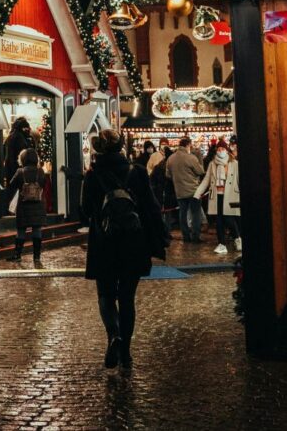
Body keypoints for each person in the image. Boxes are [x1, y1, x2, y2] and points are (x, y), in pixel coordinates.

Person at [80, 128, 166, 370]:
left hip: (104, 242)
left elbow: (85, 210)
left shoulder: (93, 174)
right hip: (133, 241)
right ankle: (126, 353)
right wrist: (159, 238)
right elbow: (151, 206)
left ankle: (113, 334)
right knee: (127, 298)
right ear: (121, 147)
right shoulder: (136, 172)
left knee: (106, 295)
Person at [193, 140, 241, 254]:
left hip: (230, 195)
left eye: (223, 149)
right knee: (219, 221)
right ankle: (221, 244)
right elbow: (206, 180)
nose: (220, 151)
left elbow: (239, 179)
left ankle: (237, 238)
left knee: (229, 219)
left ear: (226, 150)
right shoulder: (212, 164)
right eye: (219, 149)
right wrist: (197, 194)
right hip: (216, 195)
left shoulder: (234, 163)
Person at [5, 147, 48, 267]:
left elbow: (11, 185)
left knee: (21, 230)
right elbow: (44, 184)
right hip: (38, 205)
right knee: (37, 230)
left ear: (22, 159)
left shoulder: (20, 172)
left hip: (23, 205)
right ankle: (36, 256)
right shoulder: (40, 171)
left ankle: (17, 255)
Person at [166, 136, 205, 243]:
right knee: (195, 214)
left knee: (182, 214)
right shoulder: (190, 158)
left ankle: (186, 236)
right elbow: (200, 171)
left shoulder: (171, 158)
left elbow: (168, 174)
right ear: (188, 145)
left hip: (179, 190)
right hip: (193, 190)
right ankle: (195, 236)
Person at [2, 117, 32, 214]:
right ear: (23, 128)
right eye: (27, 128)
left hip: (9, 168)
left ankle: (8, 209)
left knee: (11, 189)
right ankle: (14, 209)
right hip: (17, 168)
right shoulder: (20, 138)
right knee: (19, 190)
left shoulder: (10, 137)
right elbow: (23, 155)